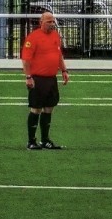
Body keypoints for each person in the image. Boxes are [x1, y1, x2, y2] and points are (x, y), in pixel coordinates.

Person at [22, 10, 69, 150]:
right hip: (38, 79)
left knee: (49, 108)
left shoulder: (55, 36)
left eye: (53, 21)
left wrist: (64, 70)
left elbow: (58, 54)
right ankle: (31, 141)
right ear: (41, 22)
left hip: (51, 79)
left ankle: (45, 140)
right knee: (36, 109)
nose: (52, 24)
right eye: (49, 21)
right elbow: (26, 59)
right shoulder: (33, 37)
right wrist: (28, 77)